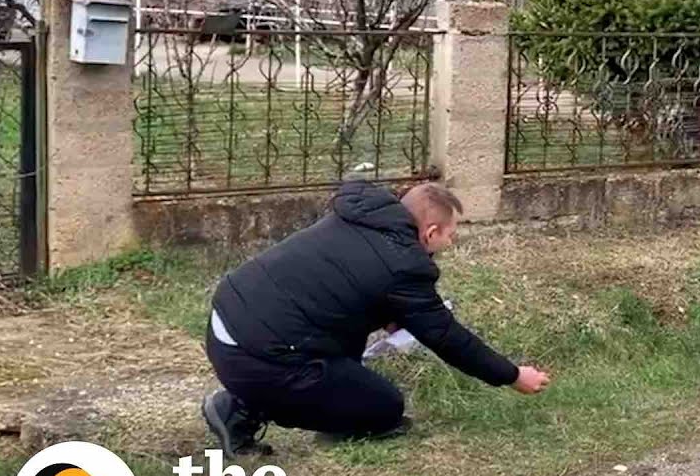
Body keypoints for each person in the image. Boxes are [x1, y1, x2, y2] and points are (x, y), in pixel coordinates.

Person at [200, 180, 551, 456]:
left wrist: (387, 311)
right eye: (450, 235)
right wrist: (513, 375)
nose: (450, 243)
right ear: (430, 233)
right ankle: (238, 409)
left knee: (344, 364)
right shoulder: (404, 266)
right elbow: (448, 338)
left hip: (228, 319)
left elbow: (341, 285)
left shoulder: (359, 215)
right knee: (384, 409)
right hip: (256, 354)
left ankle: (249, 399)